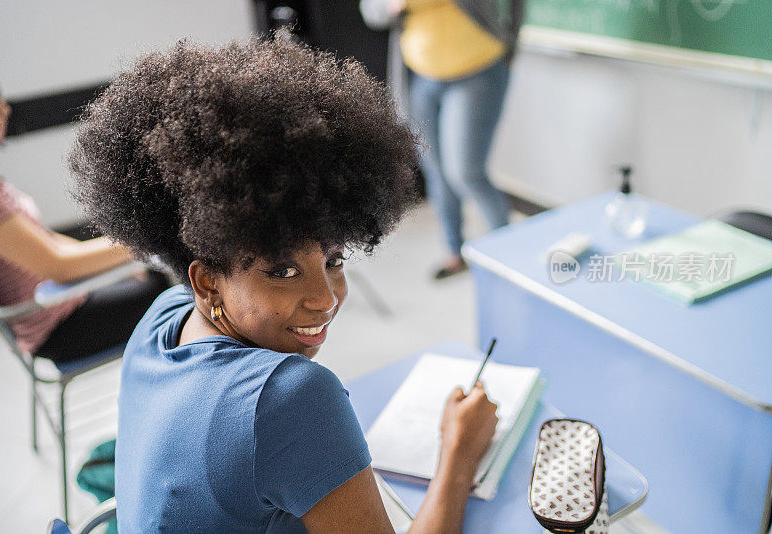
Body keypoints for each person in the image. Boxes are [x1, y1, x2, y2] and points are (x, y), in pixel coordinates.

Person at [69, 35, 499, 533]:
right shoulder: (292, 399)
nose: (326, 299)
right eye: (281, 270)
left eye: (333, 259)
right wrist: (459, 453)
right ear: (207, 282)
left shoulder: (163, 316)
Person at [0, 58, 168, 362]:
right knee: (168, 290)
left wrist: (122, 261)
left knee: (152, 277)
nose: (5, 107)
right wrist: (143, 243)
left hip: (61, 302)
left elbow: (48, 242)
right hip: (56, 325)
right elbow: (58, 265)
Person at [361, 0, 523, 279]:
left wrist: (511, 41)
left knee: (465, 173)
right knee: (435, 170)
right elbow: (371, 12)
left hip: (477, 71)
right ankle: (454, 251)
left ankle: (509, 256)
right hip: (422, 78)